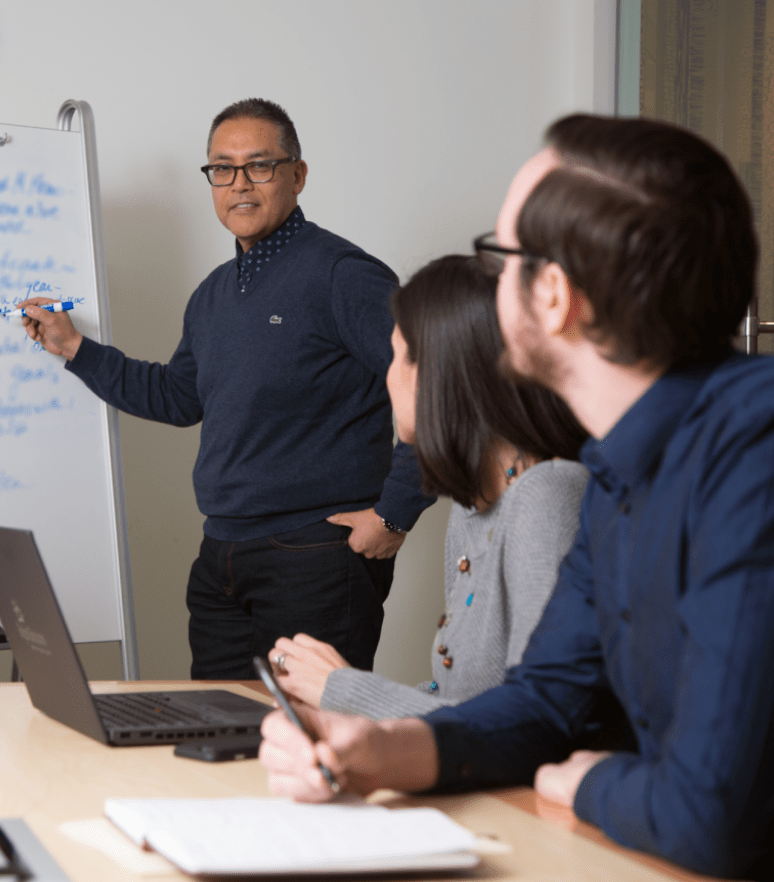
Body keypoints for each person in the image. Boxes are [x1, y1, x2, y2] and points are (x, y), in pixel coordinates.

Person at [258, 114, 774, 879]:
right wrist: (385, 750)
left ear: (556, 296)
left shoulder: (752, 451)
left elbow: (711, 816)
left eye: (498, 258)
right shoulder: (618, 469)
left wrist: (590, 780)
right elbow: (546, 705)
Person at [18, 98, 433, 679]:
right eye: (222, 168)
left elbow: (436, 385)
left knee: (306, 744)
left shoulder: (342, 275)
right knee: (218, 742)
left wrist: (395, 513)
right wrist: (74, 348)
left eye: (259, 166)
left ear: (298, 174)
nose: (240, 184)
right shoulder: (213, 294)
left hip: (315, 556)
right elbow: (177, 397)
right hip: (222, 557)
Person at [270, 255, 587, 718]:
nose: (387, 375)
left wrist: (344, 691)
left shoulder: (548, 495)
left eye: (402, 356)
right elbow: (456, 700)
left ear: (447, 371)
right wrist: (332, 714)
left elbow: (534, 720)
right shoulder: (471, 504)